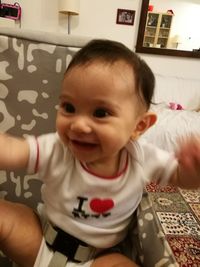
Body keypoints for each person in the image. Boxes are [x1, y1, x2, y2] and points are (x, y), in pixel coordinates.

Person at [0, 39, 200, 267]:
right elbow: (15, 151)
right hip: (40, 242)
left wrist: (193, 170)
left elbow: (179, 177)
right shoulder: (56, 149)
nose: (79, 125)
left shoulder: (143, 158)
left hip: (99, 259)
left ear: (139, 126)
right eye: (69, 108)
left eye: (101, 112)